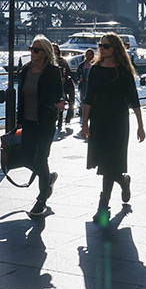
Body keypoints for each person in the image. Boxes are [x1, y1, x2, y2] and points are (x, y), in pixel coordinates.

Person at [80, 32, 146, 224]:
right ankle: (123, 181)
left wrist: (141, 126)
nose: (102, 48)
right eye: (100, 45)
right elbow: (89, 97)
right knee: (104, 163)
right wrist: (84, 123)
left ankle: (103, 207)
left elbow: (134, 99)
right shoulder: (95, 69)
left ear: (115, 49)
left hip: (118, 120)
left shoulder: (123, 70)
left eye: (106, 46)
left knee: (109, 163)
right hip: (99, 120)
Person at [18, 35, 67, 217]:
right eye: (31, 48)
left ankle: (41, 199)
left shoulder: (52, 71)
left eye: (36, 50)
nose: (32, 52)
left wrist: (59, 102)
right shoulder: (25, 70)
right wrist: (18, 118)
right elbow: (20, 97)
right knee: (25, 158)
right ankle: (48, 179)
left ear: (45, 53)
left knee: (40, 159)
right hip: (28, 121)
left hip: (46, 121)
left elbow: (58, 94)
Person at [76, 48, 95, 127]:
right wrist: (79, 79)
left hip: (91, 86)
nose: (88, 56)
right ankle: (83, 117)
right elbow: (77, 73)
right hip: (83, 85)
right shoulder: (82, 65)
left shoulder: (94, 64)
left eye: (90, 54)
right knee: (83, 101)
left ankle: (90, 117)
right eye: (87, 54)